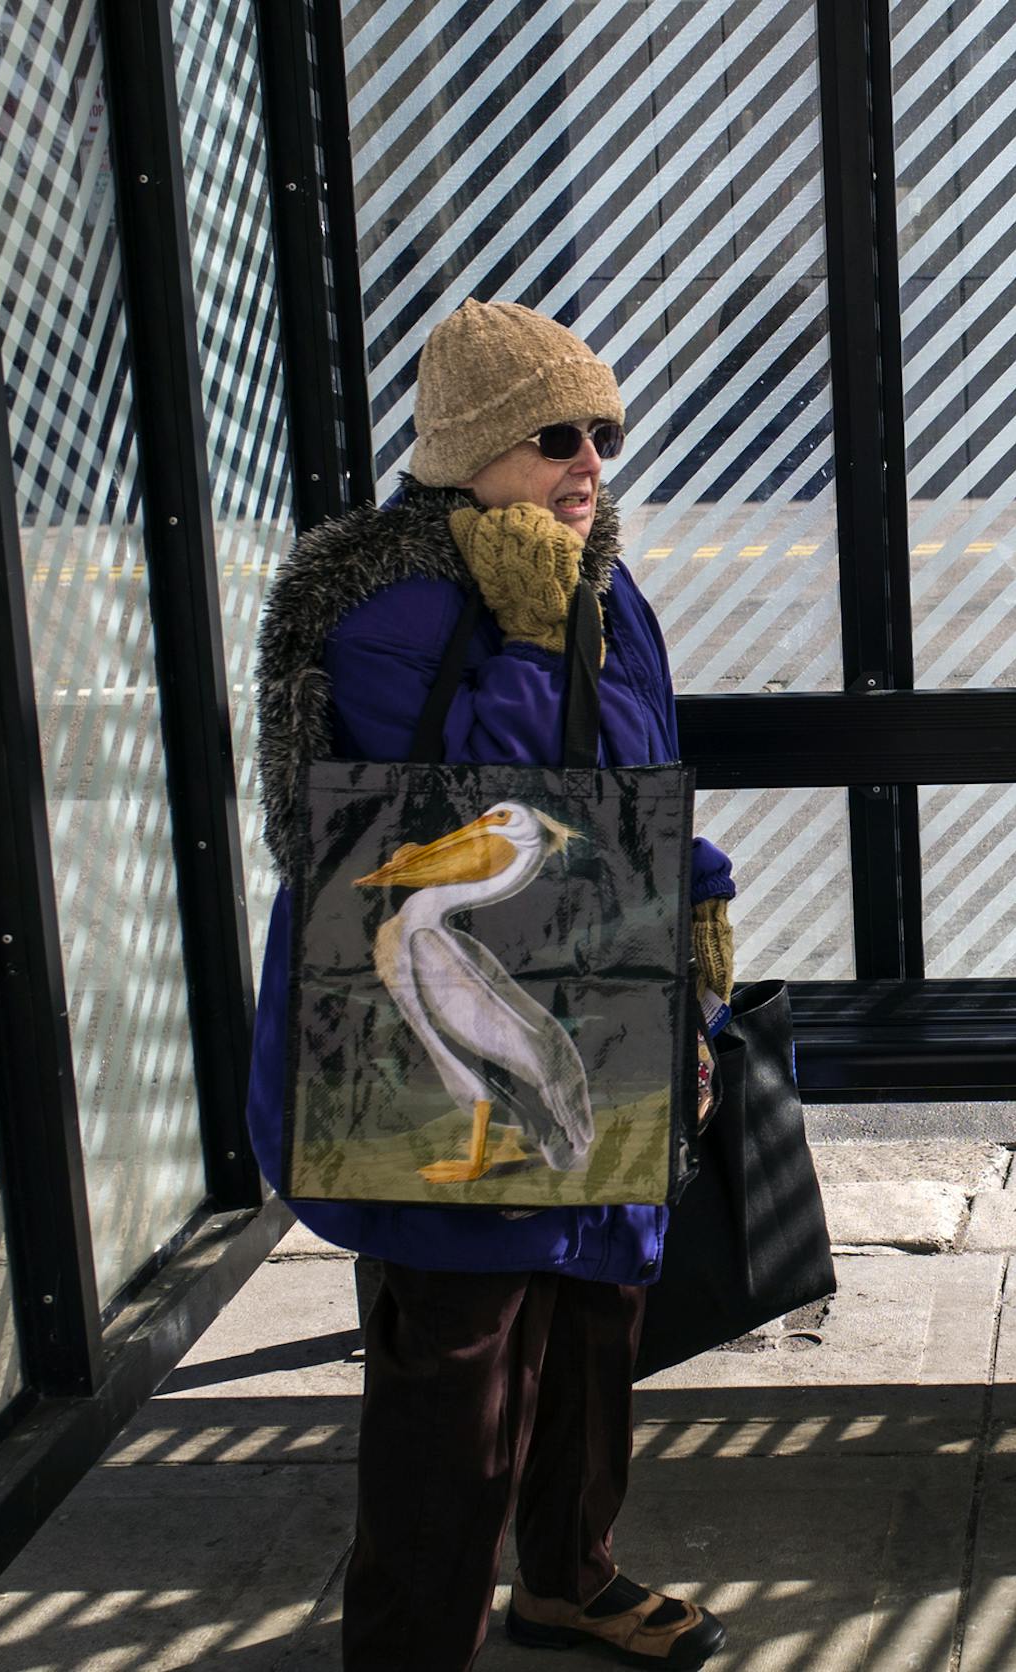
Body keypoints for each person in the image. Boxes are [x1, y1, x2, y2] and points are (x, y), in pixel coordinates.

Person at [245, 299, 736, 1671]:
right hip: (433, 1040)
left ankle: (569, 1577)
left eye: (604, 433)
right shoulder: (391, 609)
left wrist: (697, 908)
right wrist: (525, 646)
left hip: (596, 1002)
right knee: (457, 1376)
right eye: (556, 436)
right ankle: (411, 1648)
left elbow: (638, 772)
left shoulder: (595, 579)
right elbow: (456, 825)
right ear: (468, 453)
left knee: (595, 1324)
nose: (592, 462)